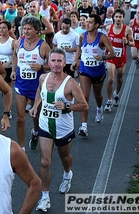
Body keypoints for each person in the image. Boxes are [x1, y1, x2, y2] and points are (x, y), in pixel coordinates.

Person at [29, 48, 88, 212]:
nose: (56, 64)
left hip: (64, 128)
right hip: (45, 124)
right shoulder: (43, 77)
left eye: (59, 61)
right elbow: (40, 92)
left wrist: (67, 105)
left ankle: (67, 173)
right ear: (48, 62)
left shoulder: (71, 83)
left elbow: (84, 105)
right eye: (53, 61)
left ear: (64, 63)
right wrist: (35, 106)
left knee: (64, 157)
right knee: (44, 161)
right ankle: (45, 197)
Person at [71, 14, 115, 137]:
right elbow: (79, 48)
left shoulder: (102, 38)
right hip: (84, 70)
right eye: (87, 22)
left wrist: (103, 57)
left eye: (90, 22)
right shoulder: (82, 36)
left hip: (98, 71)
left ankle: (99, 108)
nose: (87, 24)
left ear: (96, 25)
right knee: (84, 96)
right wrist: (75, 60)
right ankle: (84, 126)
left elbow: (113, 53)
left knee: (97, 95)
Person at [11, 16, 50, 150]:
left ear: (37, 30)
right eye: (24, 29)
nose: (25, 32)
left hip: (36, 88)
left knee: (36, 115)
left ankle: (35, 131)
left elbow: (52, 64)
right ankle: (21, 147)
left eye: (29, 29)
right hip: (21, 85)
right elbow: (15, 55)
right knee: (20, 118)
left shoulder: (43, 46)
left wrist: (42, 67)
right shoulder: (18, 43)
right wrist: (14, 70)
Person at [104, 9, 133, 112]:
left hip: (121, 58)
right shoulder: (109, 28)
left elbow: (133, 43)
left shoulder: (128, 30)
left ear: (123, 18)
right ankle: (109, 100)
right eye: (116, 17)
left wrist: (128, 42)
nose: (118, 19)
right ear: (113, 18)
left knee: (119, 78)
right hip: (111, 57)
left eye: (120, 17)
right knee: (111, 79)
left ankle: (116, 93)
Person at [0, 20, 15, 86]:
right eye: (0, 28)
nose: (1, 30)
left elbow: (17, 56)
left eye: (4, 28)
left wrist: (9, 63)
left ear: (9, 30)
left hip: (7, 68)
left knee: (7, 88)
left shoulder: (12, 42)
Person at [129, 7, 139, 75]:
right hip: (134, 41)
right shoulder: (132, 21)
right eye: (138, 13)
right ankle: (137, 59)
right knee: (134, 56)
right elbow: (128, 30)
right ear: (136, 14)